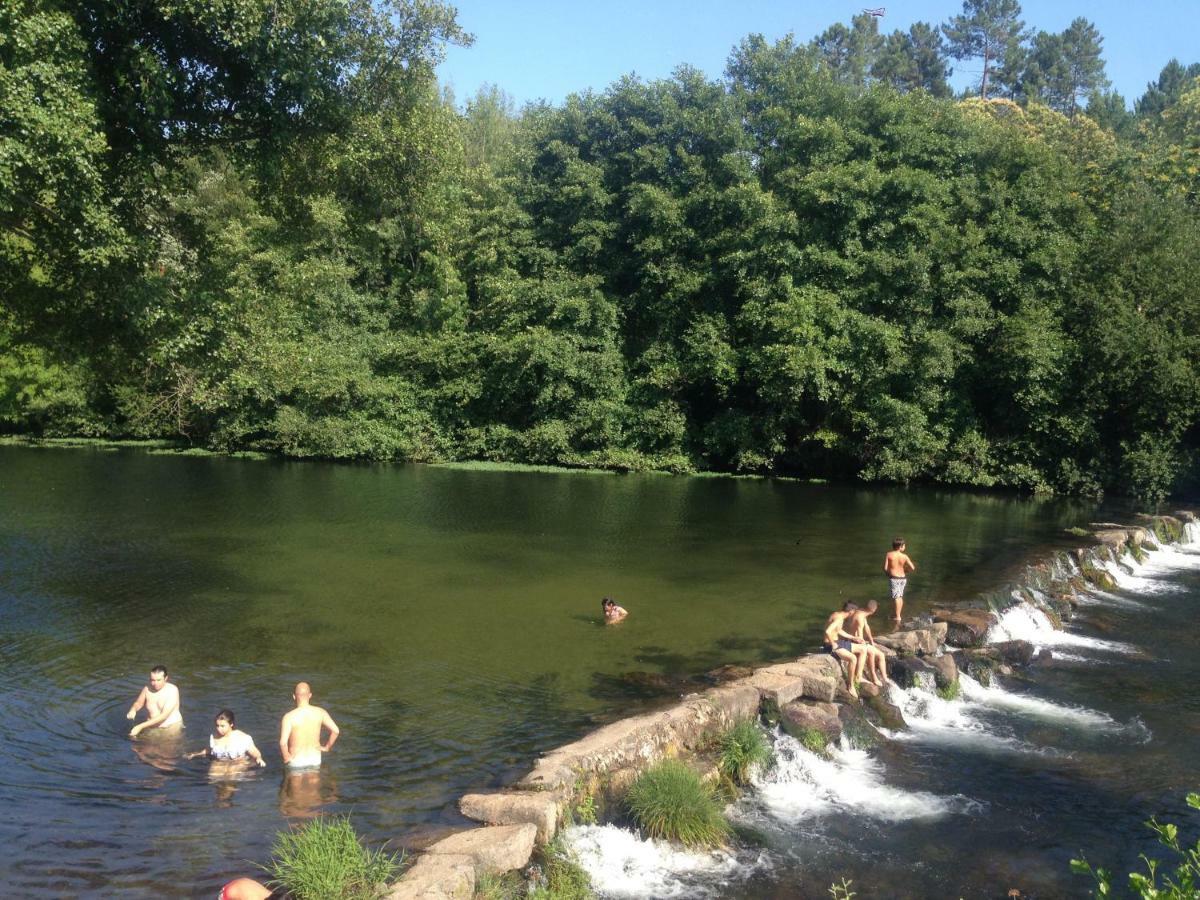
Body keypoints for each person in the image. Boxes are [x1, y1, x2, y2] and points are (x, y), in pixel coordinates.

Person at [280, 682, 339, 769]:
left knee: (295, 782)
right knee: (315, 782)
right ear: (310, 695)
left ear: (294, 696)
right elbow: (336, 731)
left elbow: (283, 743)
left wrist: (286, 757)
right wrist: (327, 747)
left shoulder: (289, 717)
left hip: (297, 760)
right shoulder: (320, 712)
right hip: (314, 759)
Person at [187, 709, 266, 768]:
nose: (219, 729)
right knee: (214, 780)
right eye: (217, 726)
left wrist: (258, 758)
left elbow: (254, 751)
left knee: (229, 783)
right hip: (218, 764)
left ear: (231, 724)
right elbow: (209, 750)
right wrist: (195, 754)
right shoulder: (214, 737)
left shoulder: (242, 738)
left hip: (238, 763)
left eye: (222, 726)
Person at [126, 665, 183, 737]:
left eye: (158, 680)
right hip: (151, 725)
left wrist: (140, 726)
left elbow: (164, 716)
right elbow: (138, 703)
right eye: (152, 680)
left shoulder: (172, 690)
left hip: (170, 727)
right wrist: (133, 710)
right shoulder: (147, 689)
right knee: (139, 744)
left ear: (166, 678)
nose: (155, 683)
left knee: (165, 747)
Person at [823, 602, 865, 698]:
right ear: (851, 611)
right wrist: (833, 645)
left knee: (863, 649)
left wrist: (854, 638)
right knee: (853, 658)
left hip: (837, 641)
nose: (855, 614)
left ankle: (858, 677)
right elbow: (828, 631)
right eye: (854, 612)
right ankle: (851, 685)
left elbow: (838, 630)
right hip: (830, 645)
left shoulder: (837, 615)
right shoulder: (838, 619)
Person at [846, 600, 891, 686]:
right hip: (854, 642)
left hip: (857, 640)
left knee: (881, 655)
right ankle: (873, 677)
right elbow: (859, 635)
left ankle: (885, 678)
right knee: (872, 653)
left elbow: (866, 628)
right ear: (874, 610)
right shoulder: (860, 617)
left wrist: (871, 641)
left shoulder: (862, 612)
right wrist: (865, 646)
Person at [884, 537, 916, 621]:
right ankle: (897, 615)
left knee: (896, 597)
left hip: (894, 578)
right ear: (900, 546)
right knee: (900, 596)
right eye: (904, 545)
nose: (905, 547)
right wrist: (905, 571)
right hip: (903, 578)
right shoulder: (904, 556)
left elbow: (885, 568)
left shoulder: (889, 554)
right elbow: (912, 568)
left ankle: (897, 616)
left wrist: (888, 574)